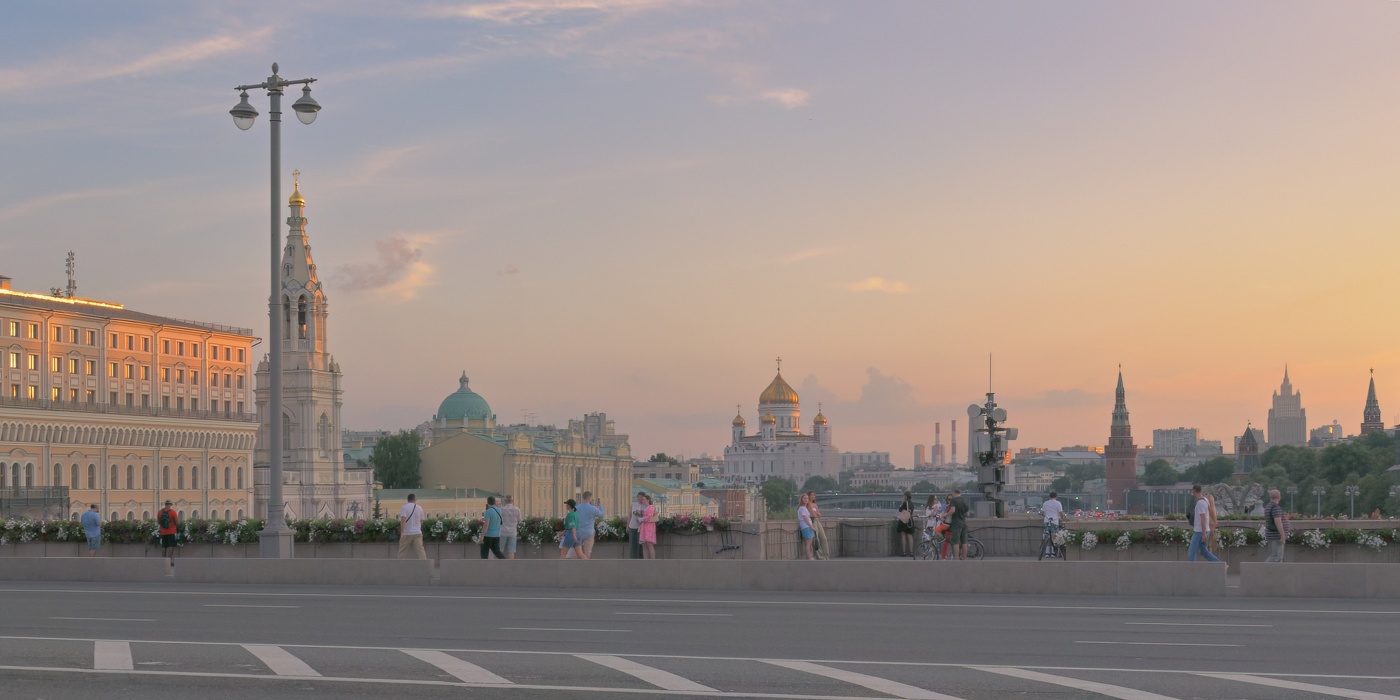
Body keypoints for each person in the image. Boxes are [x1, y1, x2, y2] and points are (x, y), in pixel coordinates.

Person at [1187, 484, 1221, 563]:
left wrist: (1203, 534)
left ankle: (1192, 570)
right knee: (1204, 551)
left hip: (1199, 531)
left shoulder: (1200, 503)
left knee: (1192, 552)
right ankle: (1219, 564)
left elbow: (1203, 518)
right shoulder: (1206, 500)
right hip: (1205, 530)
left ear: (1194, 491)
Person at [575, 491, 605, 559]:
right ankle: (586, 567)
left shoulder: (577, 508)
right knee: (587, 553)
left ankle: (578, 568)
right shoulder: (593, 508)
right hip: (589, 533)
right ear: (589, 498)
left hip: (578, 533)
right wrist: (600, 506)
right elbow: (601, 515)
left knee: (578, 554)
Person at [398, 493, 426, 560]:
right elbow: (421, 521)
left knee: (402, 551)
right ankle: (425, 565)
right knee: (420, 550)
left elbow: (403, 520)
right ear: (415, 499)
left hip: (407, 533)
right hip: (417, 533)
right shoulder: (420, 508)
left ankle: (399, 566)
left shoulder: (404, 507)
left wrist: (402, 532)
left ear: (407, 499)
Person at [1263, 488, 1287, 562]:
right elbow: (1278, 522)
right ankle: (1260, 570)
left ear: (1270, 497)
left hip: (1270, 534)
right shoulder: (1275, 507)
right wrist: (1283, 535)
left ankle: (1276, 573)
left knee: (1276, 557)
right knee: (1275, 557)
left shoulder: (1268, 507)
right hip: (1276, 535)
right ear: (1279, 497)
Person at [945, 489, 969, 560]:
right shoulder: (964, 500)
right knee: (964, 542)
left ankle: (956, 558)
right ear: (960, 493)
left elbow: (952, 510)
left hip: (956, 523)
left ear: (954, 493)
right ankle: (964, 558)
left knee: (956, 542)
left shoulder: (953, 500)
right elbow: (967, 513)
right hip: (964, 522)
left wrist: (945, 515)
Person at [806, 490, 830, 560]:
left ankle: (826, 555)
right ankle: (820, 556)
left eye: (814, 495)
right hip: (812, 521)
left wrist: (816, 513)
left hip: (817, 521)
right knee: (816, 539)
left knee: (823, 538)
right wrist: (816, 513)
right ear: (809, 496)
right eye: (811, 495)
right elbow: (813, 514)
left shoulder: (814, 504)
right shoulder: (808, 504)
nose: (813, 496)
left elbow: (819, 515)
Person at [1041, 491, 1065, 558]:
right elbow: (1061, 513)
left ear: (1049, 496)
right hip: (1054, 521)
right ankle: (1054, 552)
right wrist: (1062, 518)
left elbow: (1042, 513)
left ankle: (1047, 552)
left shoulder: (1045, 503)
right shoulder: (1058, 503)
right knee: (1054, 537)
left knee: (1046, 536)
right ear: (1056, 496)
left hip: (1047, 521)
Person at [499, 495, 522, 560]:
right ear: (512, 501)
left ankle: (500, 565)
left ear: (505, 501)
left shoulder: (501, 509)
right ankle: (511, 565)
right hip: (513, 532)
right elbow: (520, 520)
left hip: (502, 531)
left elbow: (498, 519)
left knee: (500, 549)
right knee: (511, 550)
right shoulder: (517, 509)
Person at [797, 493, 816, 560]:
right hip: (806, 527)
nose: (806, 499)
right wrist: (811, 526)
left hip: (808, 526)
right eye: (804, 498)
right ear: (802, 499)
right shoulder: (801, 508)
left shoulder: (805, 508)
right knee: (808, 543)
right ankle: (809, 557)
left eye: (807, 498)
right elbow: (805, 518)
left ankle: (811, 556)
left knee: (810, 543)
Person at [896, 491, 915, 557]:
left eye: (904, 496)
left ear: (906, 497)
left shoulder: (905, 503)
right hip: (910, 520)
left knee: (903, 535)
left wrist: (902, 504)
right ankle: (911, 552)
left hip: (903, 521)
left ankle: (904, 552)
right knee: (910, 536)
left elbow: (900, 510)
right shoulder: (912, 503)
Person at [639, 493, 658, 559]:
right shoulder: (644, 508)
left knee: (649, 544)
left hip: (649, 527)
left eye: (644, 499)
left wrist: (640, 519)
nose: (642, 501)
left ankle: (652, 560)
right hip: (644, 527)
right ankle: (646, 560)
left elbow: (648, 517)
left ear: (648, 500)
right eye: (642, 500)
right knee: (644, 545)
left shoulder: (651, 507)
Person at [627, 492, 646, 559]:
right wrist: (627, 525)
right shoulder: (633, 505)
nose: (639, 498)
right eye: (638, 497)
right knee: (633, 544)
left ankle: (640, 558)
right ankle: (633, 558)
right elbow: (630, 515)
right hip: (633, 526)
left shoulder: (645, 505)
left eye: (641, 497)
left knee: (640, 545)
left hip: (641, 527)